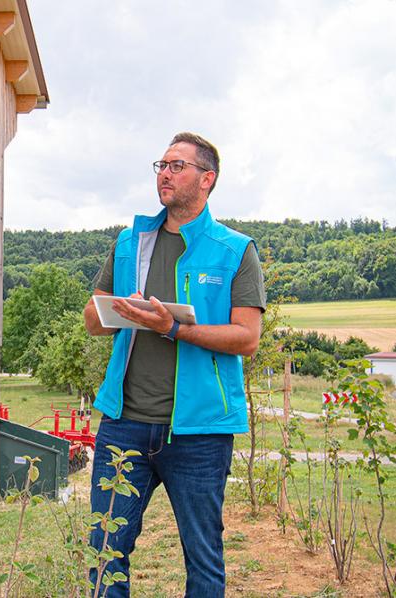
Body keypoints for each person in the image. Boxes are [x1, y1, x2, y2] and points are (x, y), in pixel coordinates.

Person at [83, 132, 266, 597]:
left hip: (200, 432)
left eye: (177, 166)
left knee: (203, 559)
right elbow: (93, 318)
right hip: (123, 425)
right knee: (105, 551)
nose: (164, 173)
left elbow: (247, 338)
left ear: (207, 179)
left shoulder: (235, 250)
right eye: (161, 165)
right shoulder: (130, 243)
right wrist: (116, 313)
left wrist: (174, 328)